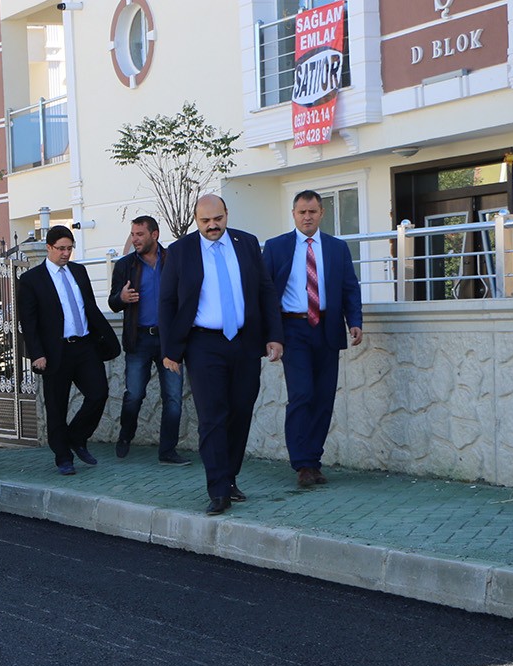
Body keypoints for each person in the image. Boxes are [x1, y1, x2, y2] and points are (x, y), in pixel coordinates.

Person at [160, 195, 283, 515]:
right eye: (205, 221)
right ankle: (217, 488)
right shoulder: (180, 252)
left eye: (218, 219)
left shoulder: (246, 243)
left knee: (241, 411)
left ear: (226, 214)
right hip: (203, 345)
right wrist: (170, 350)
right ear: (196, 220)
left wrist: (274, 336)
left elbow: (265, 291)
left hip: (244, 341)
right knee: (212, 416)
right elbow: (167, 303)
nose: (212, 226)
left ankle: (229, 477)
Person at [263, 190, 364, 488]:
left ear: (321, 213)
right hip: (292, 329)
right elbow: (265, 294)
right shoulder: (277, 247)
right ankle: (302, 464)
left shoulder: (336, 248)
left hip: (327, 327)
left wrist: (354, 321)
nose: (307, 217)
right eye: (301, 212)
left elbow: (350, 287)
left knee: (323, 398)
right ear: (293, 214)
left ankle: (314, 461)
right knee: (302, 394)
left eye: (312, 212)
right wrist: (271, 335)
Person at [17, 224, 118, 476]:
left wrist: (105, 337)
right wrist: (36, 353)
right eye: (61, 248)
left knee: (99, 393)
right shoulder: (31, 280)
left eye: (69, 248)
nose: (65, 253)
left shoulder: (79, 272)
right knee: (56, 405)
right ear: (49, 248)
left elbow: (90, 308)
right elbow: (29, 322)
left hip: (84, 346)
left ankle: (76, 437)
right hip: (54, 351)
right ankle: (63, 457)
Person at [107, 215, 187, 465]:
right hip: (139, 339)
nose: (135, 239)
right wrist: (121, 298)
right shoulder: (125, 266)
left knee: (173, 397)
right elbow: (112, 302)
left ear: (154, 234)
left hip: (168, 340)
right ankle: (125, 435)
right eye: (133, 234)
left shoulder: (173, 260)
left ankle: (167, 451)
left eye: (139, 234)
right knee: (134, 394)